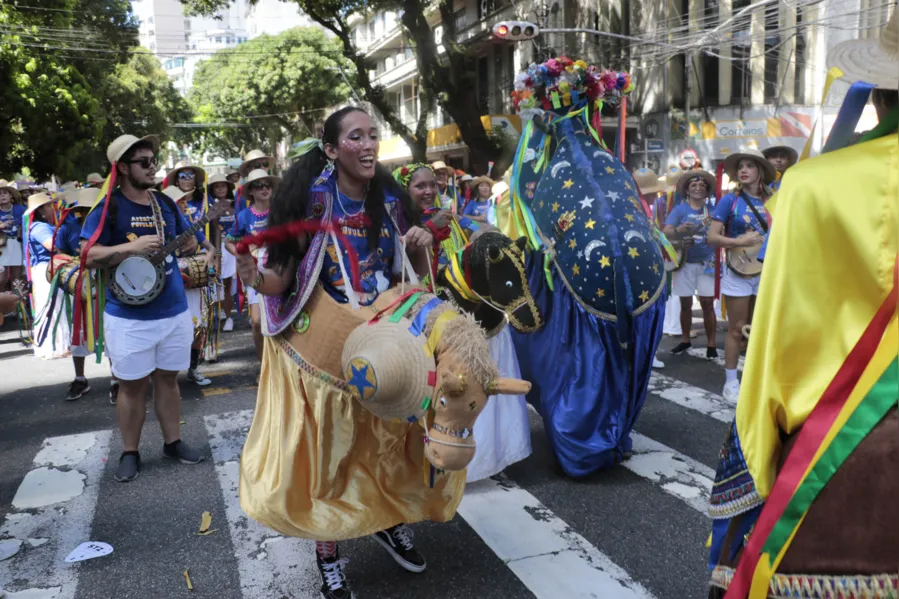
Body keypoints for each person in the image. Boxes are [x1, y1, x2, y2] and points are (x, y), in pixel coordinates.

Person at [708, 13, 898, 595]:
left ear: (881, 90)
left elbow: (777, 343)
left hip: (847, 457)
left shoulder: (813, 185)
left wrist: (754, 458)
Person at [234, 106, 442, 599]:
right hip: (325, 351)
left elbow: (408, 270)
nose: (369, 145)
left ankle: (387, 519)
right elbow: (279, 281)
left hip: (387, 342)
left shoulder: (390, 200)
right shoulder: (310, 206)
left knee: (388, 439)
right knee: (331, 454)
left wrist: (418, 244)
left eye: (373, 135)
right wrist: (252, 278)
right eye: (356, 137)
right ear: (331, 150)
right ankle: (328, 556)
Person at [394, 162, 531, 482]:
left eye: (433, 185)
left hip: (477, 317)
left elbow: (483, 237)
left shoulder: (452, 218)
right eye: (420, 186)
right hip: (435, 322)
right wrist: (430, 231)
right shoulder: (403, 225)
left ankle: (487, 457)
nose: (429, 191)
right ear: (406, 191)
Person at [80, 134, 205, 482]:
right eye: (144, 162)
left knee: (168, 380)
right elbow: (88, 256)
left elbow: (185, 242)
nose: (153, 167)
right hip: (128, 316)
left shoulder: (165, 202)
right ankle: (130, 452)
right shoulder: (110, 207)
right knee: (132, 386)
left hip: (174, 309)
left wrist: (189, 242)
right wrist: (129, 249)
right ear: (122, 168)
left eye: (154, 160)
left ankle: (173, 442)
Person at [706, 149, 775, 401]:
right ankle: (731, 383)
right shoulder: (729, 200)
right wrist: (738, 240)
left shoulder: (773, 199)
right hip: (738, 272)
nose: (743, 170)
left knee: (760, 329)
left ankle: (758, 380)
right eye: (740, 166)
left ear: (760, 171)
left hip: (767, 270)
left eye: (749, 166)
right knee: (736, 329)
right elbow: (711, 237)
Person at [163, 179, 217, 386]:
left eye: (185, 200)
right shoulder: (157, 227)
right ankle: (166, 377)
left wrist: (207, 256)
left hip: (192, 286)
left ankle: (193, 369)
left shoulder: (188, 223)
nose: (185, 204)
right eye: (180, 201)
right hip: (168, 287)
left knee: (198, 326)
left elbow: (210, 247)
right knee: (171, 331)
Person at [663, 170, 718, 358]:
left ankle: (711, 345)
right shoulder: (679, 210)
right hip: (684, 263)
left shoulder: (713, 210)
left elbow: (722, 231)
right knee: (685, 304)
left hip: (707, 263)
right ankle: (685, 340)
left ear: (707, 191)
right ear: (687, 191)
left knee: (708, 304)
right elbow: (666, 232)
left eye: (702, 186)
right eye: (693, 185)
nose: (697, 188)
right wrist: (678, 229)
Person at [225, 169, 277, 362]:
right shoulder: (244, 216)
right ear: (251, 192)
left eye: (267, 185)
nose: (264, 189)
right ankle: (263, 365)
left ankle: (280, 367)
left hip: (280, 272)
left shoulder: (281, 211)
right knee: (256, 323)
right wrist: (244, 254)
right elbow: (228, 242)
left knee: (282, 321)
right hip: (256, 275)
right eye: (259, 185)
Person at [54, 189, 97, 400]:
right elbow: (58, 253)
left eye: (90, 209)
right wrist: (73, 260)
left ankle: (117, 382)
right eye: (83, 210)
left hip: (106, 283)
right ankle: (80, 379)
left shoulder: (107, 226)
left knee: (109, 330)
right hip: (78, 283)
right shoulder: (68, 227)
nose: (86, 213)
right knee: (78, 331)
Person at [24, 192, 71, 360]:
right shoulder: (40, 227)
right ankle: (54, 347)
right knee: (52, 306)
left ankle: (57, 345)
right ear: (42, 210)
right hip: (46, 270)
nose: (53, 209)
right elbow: (51, 245)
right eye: (49, 206)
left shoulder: (39, 226)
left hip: (46, 269)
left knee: (54, 306)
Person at [208, 174, 236, 332]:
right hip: (219, 249)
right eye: (216, 186)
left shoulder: (236, 205)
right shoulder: (210, 207)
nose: (220, 189)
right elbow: (214, 233)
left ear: (228, 188)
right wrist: (217, 254)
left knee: (234, 284)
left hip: (236, 247)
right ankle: (223, 315)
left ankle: (236, 316)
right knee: (220, 284)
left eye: (223, 186)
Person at [0, 180, 25, 294]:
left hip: (17, 244)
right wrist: (1, 225)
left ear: (10, 195)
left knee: (16, 277)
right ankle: (2, 305)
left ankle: (17, 306)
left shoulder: (20, 209)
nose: (2, 196)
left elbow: (28, 223)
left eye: (4, 193)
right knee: (2, 279)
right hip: (2, 245)